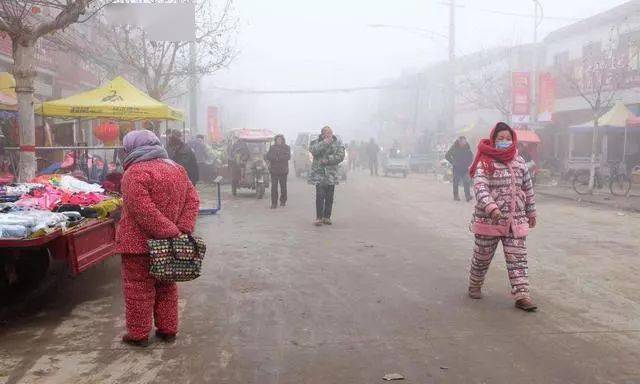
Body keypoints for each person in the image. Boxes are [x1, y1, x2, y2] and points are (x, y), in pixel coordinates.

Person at [116, 129, 200, 347]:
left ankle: (138, 335)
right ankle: (168, 330)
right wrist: (182, 229)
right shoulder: (177, 169)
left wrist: (170, 230)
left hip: (138, 245)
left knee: (138, 289)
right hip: (169, 244)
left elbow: (143, 210)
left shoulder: (134, 173)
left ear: (132, 148)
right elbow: (193, 200)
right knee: (166, 286)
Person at [467, 122, 537, 312]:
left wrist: (531, 211)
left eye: (508, 138)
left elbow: (527, 188)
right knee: (481, 257)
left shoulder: (519, 161)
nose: (504, 142)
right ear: (493, 140)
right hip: (489, 220)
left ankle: (522, 295)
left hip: (515, 220)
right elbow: (480, 187)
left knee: (518, 260)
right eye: (500, 139)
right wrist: (492, 208)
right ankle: (475, 284)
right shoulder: (485, 161)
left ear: (513, 140)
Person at [308, 126, 345, 226]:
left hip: (331, 174)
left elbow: (341, 156)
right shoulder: (316, 142)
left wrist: (329, 159)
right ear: (322, 134)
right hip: (319, 173)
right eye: (327, 133)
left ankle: (327, 217)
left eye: (330, 133)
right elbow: (313, 151)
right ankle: (319, 218)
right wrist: (325, 143)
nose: (329, 135)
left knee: (329, 196)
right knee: (320, 195)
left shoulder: (338, 143)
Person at [265, 134, 291, 208]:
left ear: (283, 140)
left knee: (283, 187)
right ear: (275, 140)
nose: (279, 141)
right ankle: (274, 203)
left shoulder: (286, 147)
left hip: (283, 170)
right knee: (274, 187)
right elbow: (268, 156)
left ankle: (283, 200)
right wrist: (274, 158)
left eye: (280, 139)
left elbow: (288, 156)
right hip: (274, 171)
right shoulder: (272, 147)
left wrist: (279, 158)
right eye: (277, 139)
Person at [445, 136, 474, 201]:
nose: (464, 142)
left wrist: (469, 163)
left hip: (465, 168)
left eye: (465, 141)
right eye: (462, 141)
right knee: (456, 182)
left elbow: (471, 156)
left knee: (466, 181)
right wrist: (453, 162)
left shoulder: (467, 147)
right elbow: (447, 155)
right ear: (459, 141)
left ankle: (468, 196)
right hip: (457, 168)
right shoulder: (454, 147)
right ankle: (456, 196)